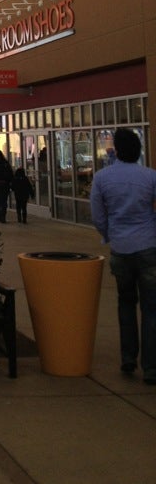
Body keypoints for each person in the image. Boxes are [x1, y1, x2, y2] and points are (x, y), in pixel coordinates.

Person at [90, 127, 156, 384]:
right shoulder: (150, 176)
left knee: (125, 304)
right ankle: (151, 368)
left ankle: (128, 357)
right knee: (152, 309)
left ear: (116, 149)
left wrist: (109, 234)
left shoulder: (103, 178)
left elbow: (97, 215)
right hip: (149, 248)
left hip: (121, 249)